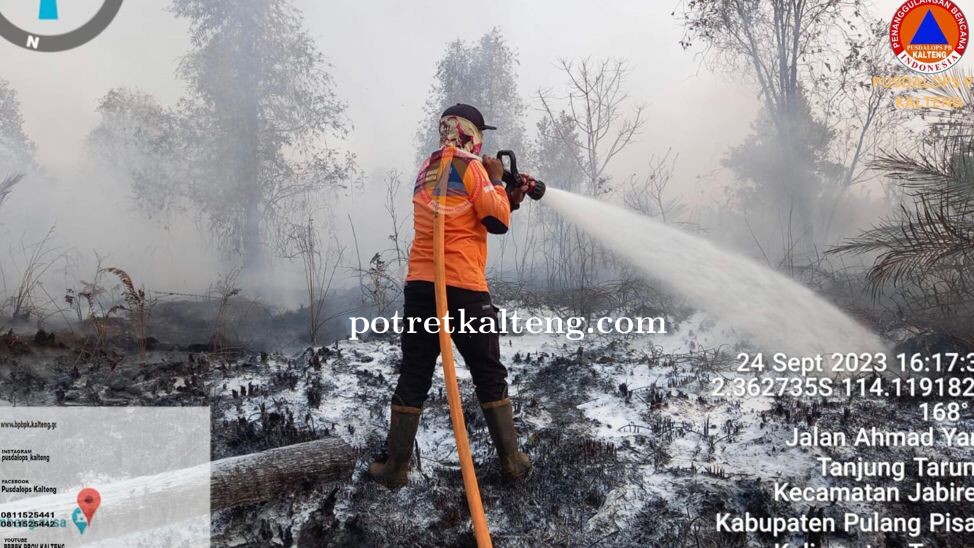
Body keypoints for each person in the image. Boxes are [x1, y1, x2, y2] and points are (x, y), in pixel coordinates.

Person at [367, 103, 534, 488]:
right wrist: (495, 180)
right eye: (482, 135)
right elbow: (494, 221)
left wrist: (509, 196)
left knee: (414, 372)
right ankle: (512, 461)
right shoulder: (472, 168)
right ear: (470, 133)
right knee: (488, 371)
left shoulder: (428, 170)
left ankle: (395, 467)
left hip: (421, 289)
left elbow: (462, 213)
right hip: (463, 289)